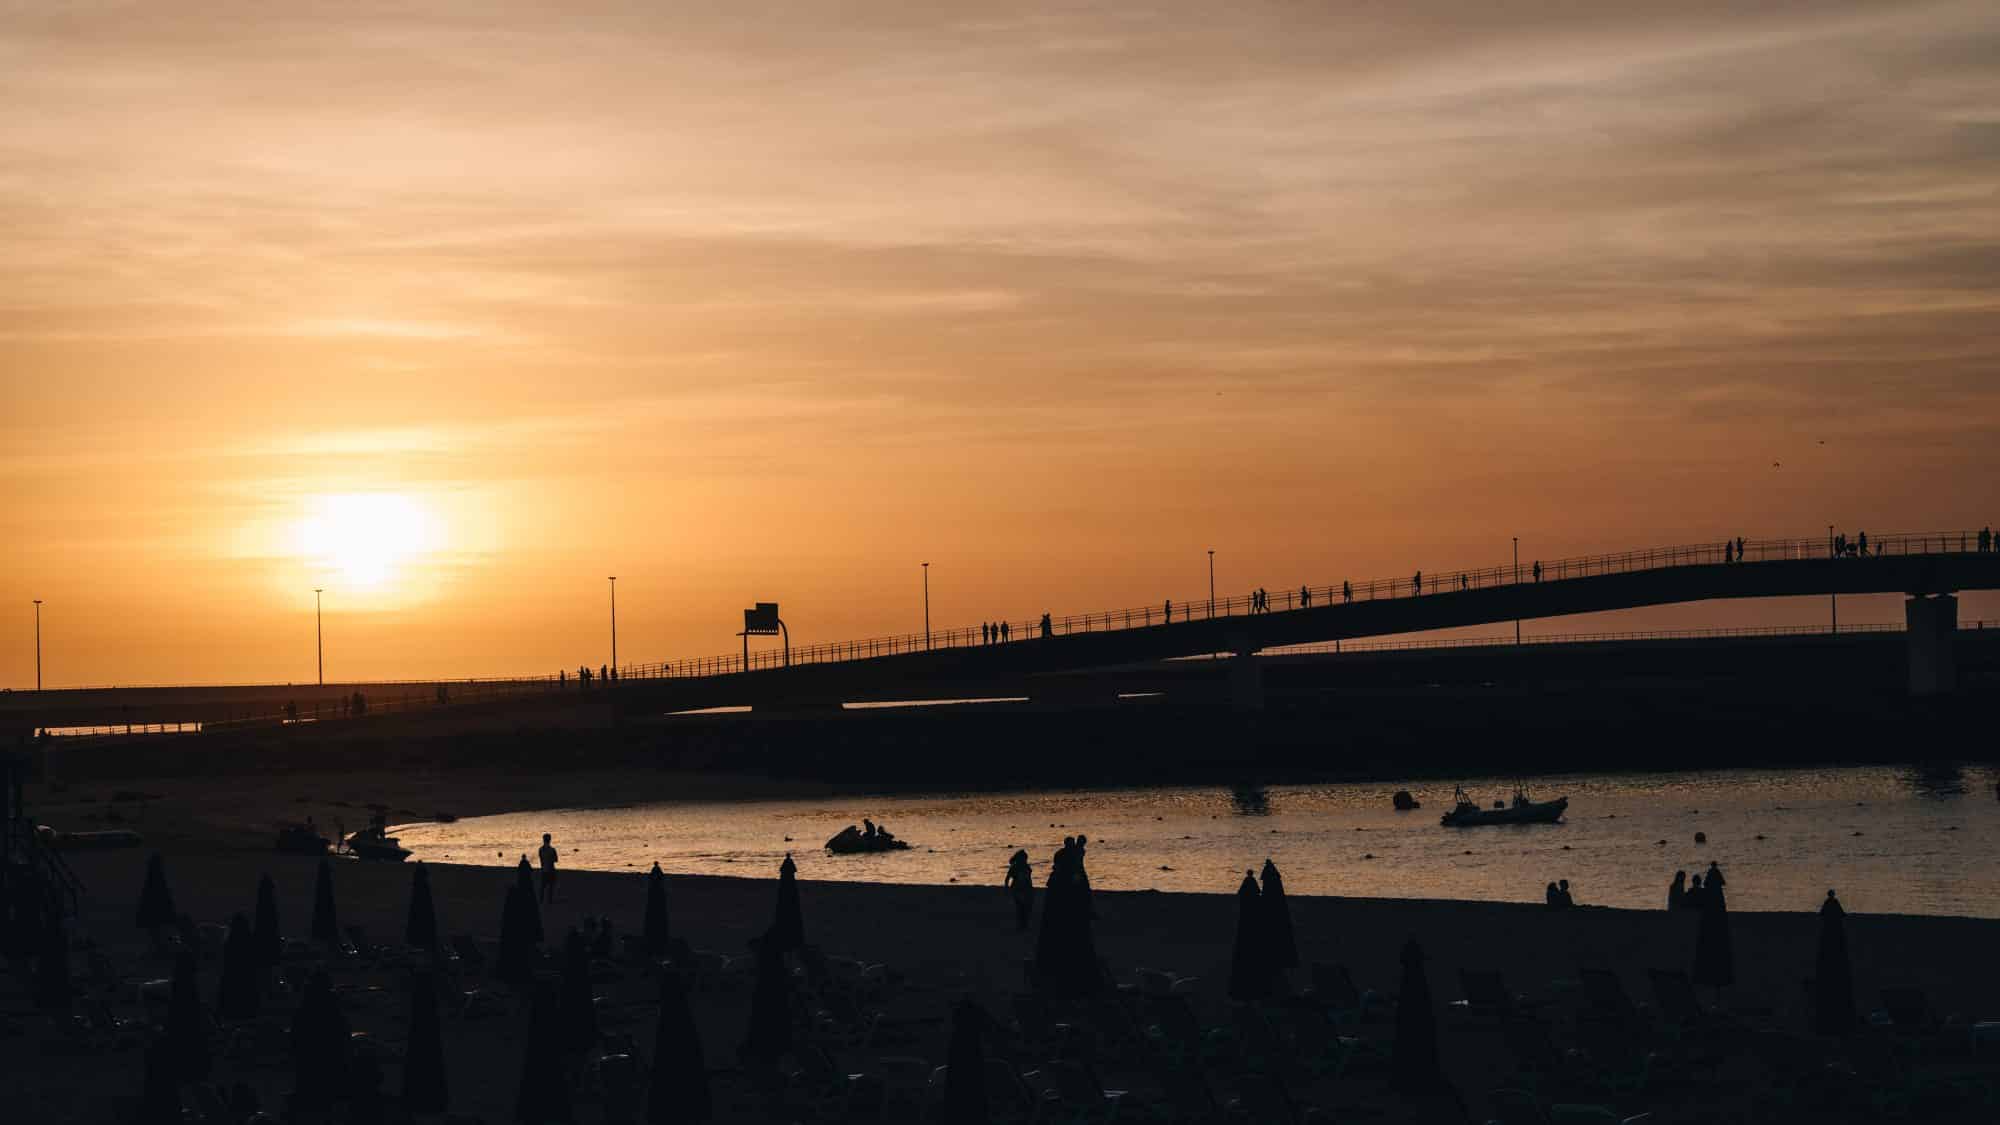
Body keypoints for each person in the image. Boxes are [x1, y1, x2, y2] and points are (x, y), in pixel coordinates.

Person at [1004, 850, 1034, 932]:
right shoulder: (1014, 867)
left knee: (1026, 907)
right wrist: (1006, 887)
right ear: (1020, 858)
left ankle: (1023, 924)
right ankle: (1022, 925)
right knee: (1021, 907)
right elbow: (1007, 878)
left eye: (1026, 858)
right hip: (1018, 889)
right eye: (1024, 858)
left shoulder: (1026, 866)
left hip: (1027, 889)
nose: (1026, 860)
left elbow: (1028, 878)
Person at [538, 833, 559, 904]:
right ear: (550, 840)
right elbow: (556, 860)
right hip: (551, 869)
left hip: (543, 869)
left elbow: (541, 860)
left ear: (543, 840)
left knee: (543, 886)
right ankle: (549, 900)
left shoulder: (540, 849)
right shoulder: (552, 850)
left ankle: (541, 900)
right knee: (551, 886)